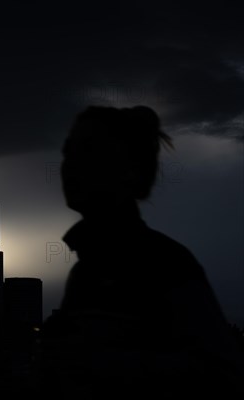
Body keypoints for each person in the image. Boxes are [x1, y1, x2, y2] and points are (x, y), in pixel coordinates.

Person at [37, 105, 244, 399]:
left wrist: (99, 362)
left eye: (89, 150)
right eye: (68, 151)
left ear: (129, 170)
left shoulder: (165, 264)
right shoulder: (86, 271)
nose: (70, 164)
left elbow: (224, 379)